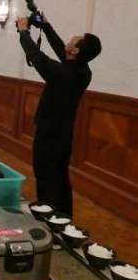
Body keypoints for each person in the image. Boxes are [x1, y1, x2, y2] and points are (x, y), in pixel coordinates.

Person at [16, 15, 102, 216]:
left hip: (49, 135)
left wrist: (23, 32)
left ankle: (48, 217)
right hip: (63, 136)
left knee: (45, 177)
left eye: (73, 40)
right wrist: (45, 25)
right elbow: (60, 47)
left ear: (76, 51)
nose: (69, 40)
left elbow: (37, 57)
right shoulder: (83, 71)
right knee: (60, 178)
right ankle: (64, 217)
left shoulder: (64, 73)